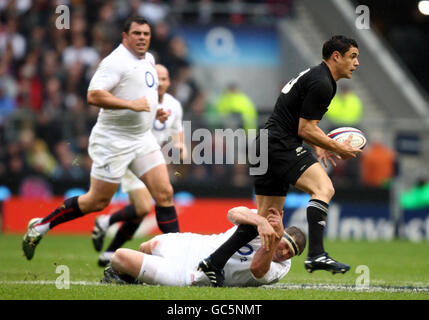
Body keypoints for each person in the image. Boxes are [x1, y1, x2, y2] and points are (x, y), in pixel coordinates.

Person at [198, 35, 362, 286]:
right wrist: (337, 147)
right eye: (352, 56)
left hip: (266, 144)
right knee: (324, 188)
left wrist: (319, 146)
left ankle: (213, 263)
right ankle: (316, 254)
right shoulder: (323, 84)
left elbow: (304, 124)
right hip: (280, 145)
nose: (357, 63)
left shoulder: (318, 77)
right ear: (336, 57)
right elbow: (305, 129)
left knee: (267, 218)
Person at [22, 16, 179, 260]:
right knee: (97, 201)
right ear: (125, 36)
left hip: (141, 138)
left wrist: (154, 109)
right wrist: (132, 105)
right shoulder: (115, 62)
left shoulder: (149, 58)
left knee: (164, 193)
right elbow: (93, 95)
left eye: (145, 34)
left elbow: (143, 93)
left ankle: (176, 257)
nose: (142, 38)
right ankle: (41, 225)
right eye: (136, 33)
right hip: (113, 140)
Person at [93, 63, 187, 266]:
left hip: (152, 160)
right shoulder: (141, 100)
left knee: (141, 210)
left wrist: (180, 145)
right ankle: (107, 222)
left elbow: (177, 128)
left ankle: (109, 251)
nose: (160, 83)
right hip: (131, 155)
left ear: (169, 81)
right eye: (157, 78)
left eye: (164, 78)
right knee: (144, 206)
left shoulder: (174, 105)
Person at [101, 206, 306, 287]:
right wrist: (261, 222)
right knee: (148, 245)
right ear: (282, 234)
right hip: (195, 244)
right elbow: (232, 213)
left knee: (119, 257)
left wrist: (271, 244)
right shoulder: (263, 224)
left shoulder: (281, 268)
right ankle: (131, 279)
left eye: (291, 253)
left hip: (193, 274)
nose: (285, 252)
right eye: (286, 245)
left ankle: (129, 277)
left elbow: (257, 269)